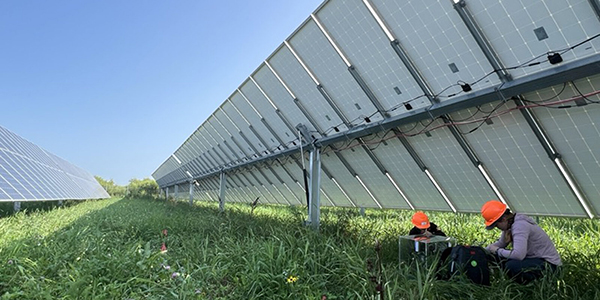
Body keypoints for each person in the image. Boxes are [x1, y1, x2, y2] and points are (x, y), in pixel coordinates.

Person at [481, 200, 562, 284]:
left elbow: (518, 255)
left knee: (512, 266)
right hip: (533, 259)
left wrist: (497, 250)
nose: (497, 228)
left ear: (504, 219)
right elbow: (502, 243)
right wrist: (482, 251)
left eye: (496, 225)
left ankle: (530, 286)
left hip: (549, 265)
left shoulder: (520, 226)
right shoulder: (510, 224)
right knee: (492, 256)